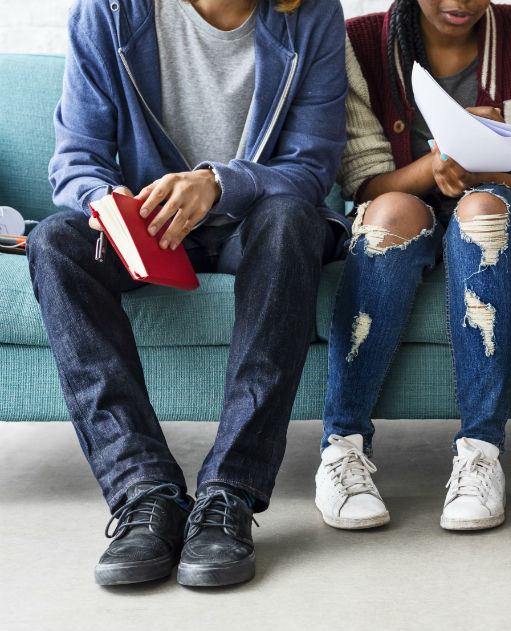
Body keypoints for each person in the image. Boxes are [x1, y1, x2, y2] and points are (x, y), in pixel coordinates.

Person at [31, 0, 348, 585]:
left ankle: (231, 491)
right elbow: (76, 158)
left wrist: (218, 183)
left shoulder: (311, 14)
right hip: (150, 228)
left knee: (293, 220)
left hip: (255, 221)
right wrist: (112, 206)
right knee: (55, 242)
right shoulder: (110, 12)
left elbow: (312, 166)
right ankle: (143, 490)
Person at [314, 0, 511, 531]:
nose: (458, 3)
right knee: (390, 213)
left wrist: (483, 164)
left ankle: (480, 452)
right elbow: (363, 183)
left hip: (507, 211)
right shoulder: (362, 43)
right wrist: (437, 163)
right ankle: (340, 448)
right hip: (404, 206)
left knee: (478, 210)